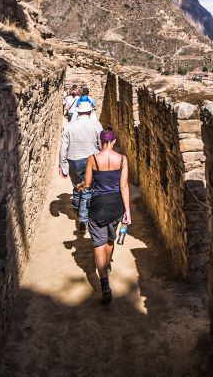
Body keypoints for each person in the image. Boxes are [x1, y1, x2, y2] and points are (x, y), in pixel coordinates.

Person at [79, 130, 131, 303]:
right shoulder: (122, 159)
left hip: (98, 206)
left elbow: (87, 184)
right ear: (114, 141)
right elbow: (123, 187)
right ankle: (106, 265)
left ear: (100, 141)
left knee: (98, 244)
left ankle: (104, 284)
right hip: (115, 206)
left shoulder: (92, 159)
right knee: (109, 240)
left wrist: (79, 187)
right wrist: (127, 211)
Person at [59, 101, 103, 233]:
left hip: (74, 159)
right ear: (90, 112)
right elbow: (101, 146)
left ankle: (76, 206)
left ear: (78, 112)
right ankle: (83, 219)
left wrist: (63, 165)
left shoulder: (69, 126)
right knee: (88, 189)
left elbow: (63, 148)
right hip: (91, 159)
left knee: (77, 185)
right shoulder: (96, 125)